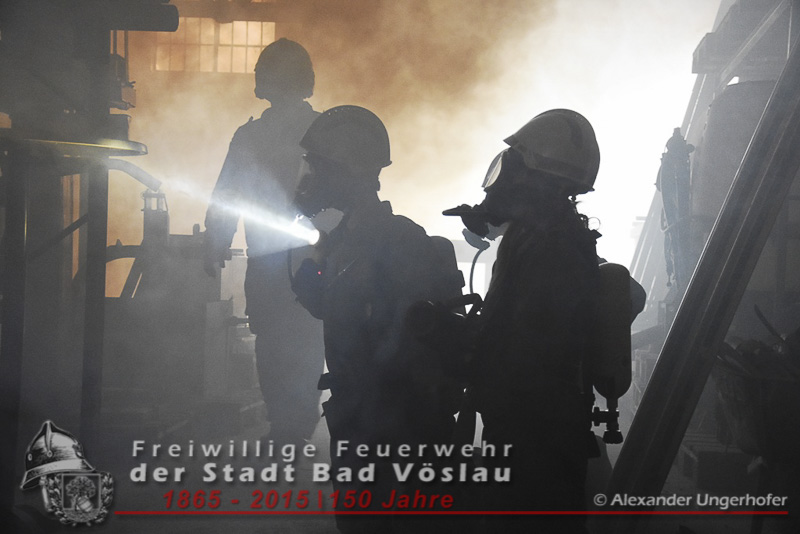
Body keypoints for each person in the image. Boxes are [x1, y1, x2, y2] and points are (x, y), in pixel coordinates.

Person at [291, 105, 465, 533]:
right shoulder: (345, 241)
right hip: (360, 423)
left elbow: (409, 343)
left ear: (348, 172)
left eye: (319, 167)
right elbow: (334, 306)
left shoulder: (400, 241)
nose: (311, 177)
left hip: (397, 432)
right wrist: (313, 268)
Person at [446, 109, 603, 533]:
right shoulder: (534, 237)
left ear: (539, 179)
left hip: (537, 438)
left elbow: (526, 345)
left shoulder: (555, 248)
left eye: (512, 167)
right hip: (524, 429)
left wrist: (465, 344)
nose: (501, 181)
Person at [203, 38, 324, 446]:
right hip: (313, 258)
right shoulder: (324, 131)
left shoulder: (251, 136)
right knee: (304, 339)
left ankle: (287, 424)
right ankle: (297, 423)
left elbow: (227, 194)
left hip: (272, 261)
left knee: (275, 342)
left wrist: (217, 240)